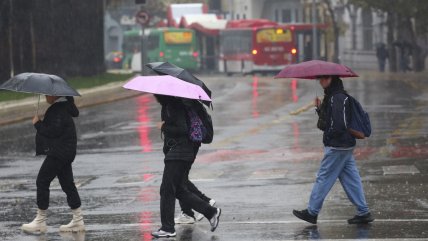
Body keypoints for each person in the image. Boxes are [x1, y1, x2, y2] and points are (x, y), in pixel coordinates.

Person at [293, 76, 374, 225]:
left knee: (324, 178)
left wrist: (330, 136)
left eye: (324, 78)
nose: (321, 81)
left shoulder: (337, 98)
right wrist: (319, 108)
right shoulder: (333, 96)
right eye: (321, 79)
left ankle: (312, 212)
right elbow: (327, 122)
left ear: (332, 79)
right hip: (344, 145)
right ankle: (363, 212)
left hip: (338, 146)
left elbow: (338, 124)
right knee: (351, 179)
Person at [152, 95, 221, 238]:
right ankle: (210, 212)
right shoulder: (178, 103)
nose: (154, 97)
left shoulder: (173, 105)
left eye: (155, 95)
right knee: (178, 190)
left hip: (179, 152)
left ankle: (168, 228)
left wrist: (164, 126)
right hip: (183, 151)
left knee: (167, 190)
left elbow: (182, 129)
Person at [22, 96, 84, 233]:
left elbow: (52, 131)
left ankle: (40, 221)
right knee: (68, 184)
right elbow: (56, 129)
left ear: (55, 95)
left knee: (42, 181)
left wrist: (37, 123)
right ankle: (78, 220)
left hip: (59, 152)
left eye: (47, 94)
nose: (45, 96)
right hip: (66, 151)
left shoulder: (57, 109)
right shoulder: (64, 107)